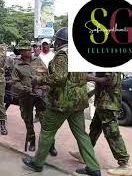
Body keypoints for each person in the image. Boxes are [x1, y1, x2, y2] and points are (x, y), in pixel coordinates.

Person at [22, 27, 101, 176]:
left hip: (61, 102)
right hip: (78, 101)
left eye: (56, 40)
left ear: (60, 41)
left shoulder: (62, 55)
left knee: (46, 132)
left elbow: (59, 78)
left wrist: (38, 79)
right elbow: (84, 76)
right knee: (81, 135)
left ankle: (37, 163)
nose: (54, 42)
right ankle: (94, 168)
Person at [69, 72, 131, 176]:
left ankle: (124, 164)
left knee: (112, 134)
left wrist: (89, 77)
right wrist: (91, 93)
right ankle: (85, 155)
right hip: (102, 103)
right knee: (94, 129)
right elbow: (102, 83)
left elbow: (108, 80)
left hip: (108, 105)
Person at [12, 40, 37, 152]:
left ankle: (50, 144)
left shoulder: (38, 60)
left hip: (40, 95)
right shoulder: (17, 65)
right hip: (26, 96)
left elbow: (46, 74)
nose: (29, 51)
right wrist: (27, 89)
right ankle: (32, 140)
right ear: (21, 52)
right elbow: (15, 83)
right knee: (28, 119)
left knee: (45, 119)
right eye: (25, 49)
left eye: (29, 49)